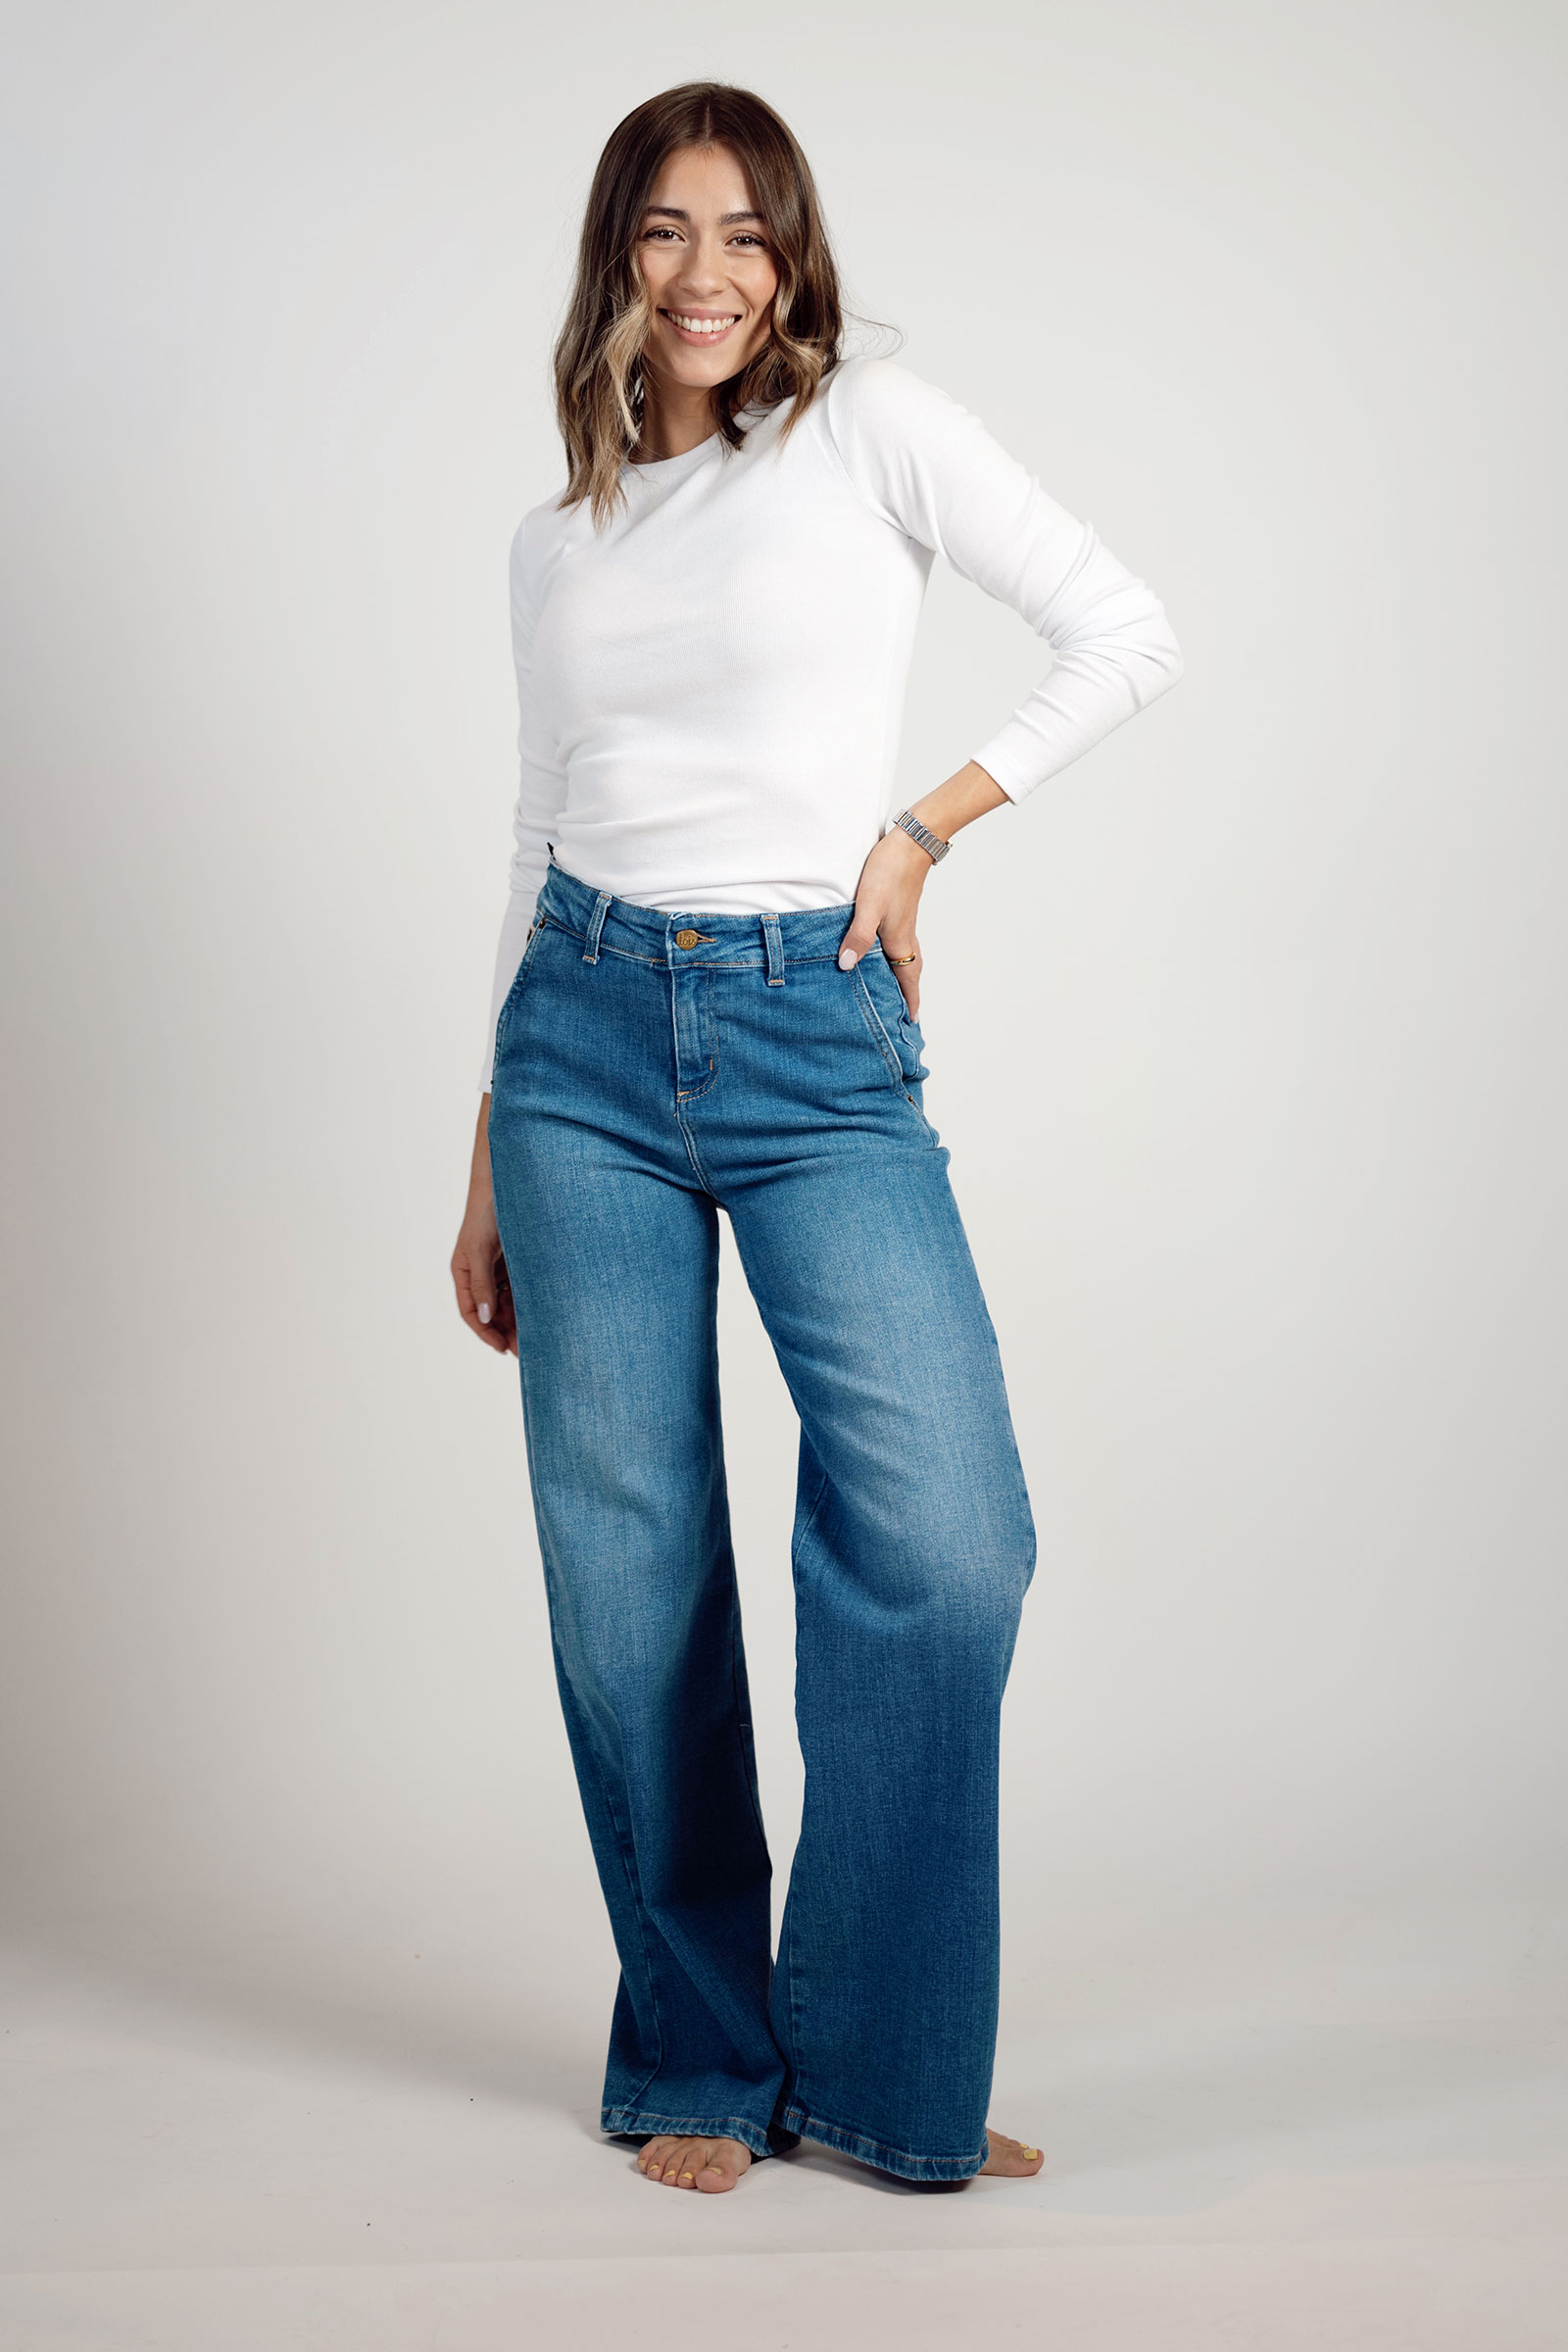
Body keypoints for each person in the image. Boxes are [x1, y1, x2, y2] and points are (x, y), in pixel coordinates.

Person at [451, 80, 1183, 2196]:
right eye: (666, 232)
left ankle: (874, 2065)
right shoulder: (556, 539)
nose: (707, 276)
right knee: (628, 1574)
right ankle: (696, 2052)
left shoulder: (870, 429)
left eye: (746, 234)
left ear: (795, 258)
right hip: (576, 1043)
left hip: (809, 1024)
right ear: (616, 254)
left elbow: (1125, 629)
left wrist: (920, 832)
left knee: (949, 1542)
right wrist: (485, 1143)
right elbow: (535, 827)